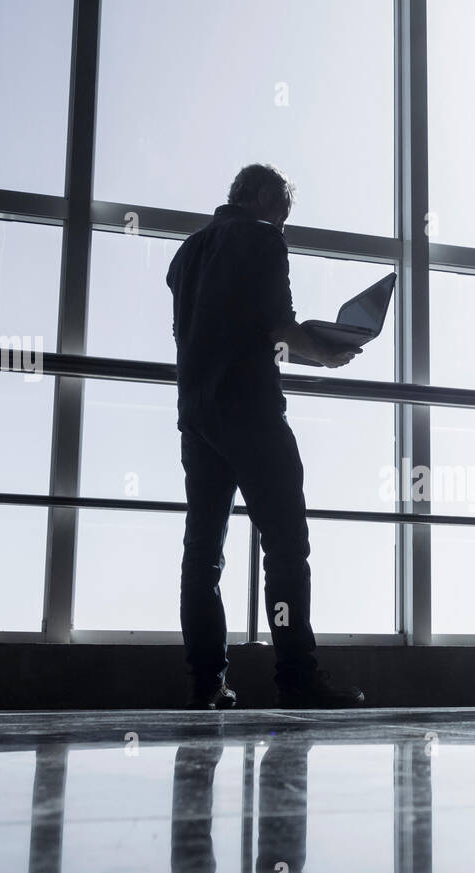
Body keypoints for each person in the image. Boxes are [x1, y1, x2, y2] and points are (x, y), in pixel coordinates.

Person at [167, 163, 366, 710]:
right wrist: (326, 351)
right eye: (279, 212)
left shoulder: (186, 254)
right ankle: (296, 677)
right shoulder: (261, 240)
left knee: (203, 553)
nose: (281, 226)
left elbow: (204, 329)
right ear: (258, 196)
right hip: (251, 411)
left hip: (197, 415)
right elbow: (279, 326)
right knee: (285, 545)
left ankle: (206, 684)